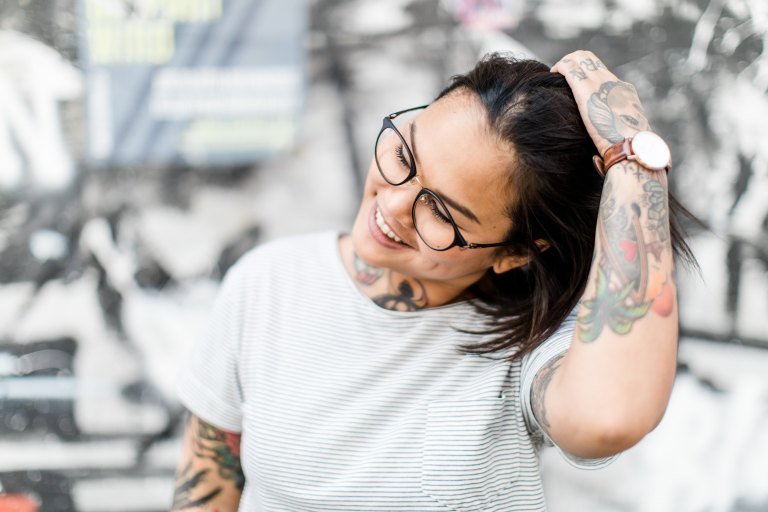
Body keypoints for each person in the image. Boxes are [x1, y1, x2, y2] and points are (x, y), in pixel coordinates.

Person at [171, 50, 694, 511]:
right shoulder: (267, 282)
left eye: (442, 212)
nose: (393, 205)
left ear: (513, 254)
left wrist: (632, 159)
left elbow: (606, 418)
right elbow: (207, 486)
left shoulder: (532, 348)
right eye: (404, 154)